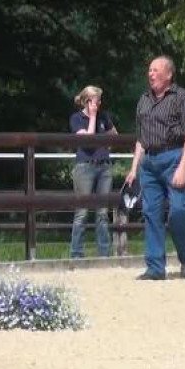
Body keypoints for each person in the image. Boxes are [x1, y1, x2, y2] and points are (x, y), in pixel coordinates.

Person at [126, 56, 185, 280]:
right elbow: (141, 138)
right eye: (149, 70)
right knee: (151, 214)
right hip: (149, 162)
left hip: (175, 157)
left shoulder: (183, 98)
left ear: (169, 74)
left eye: (156, 70)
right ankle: (155, 267)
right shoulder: (143, 100)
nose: (151, 74)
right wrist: (134, 168)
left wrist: (183, 166)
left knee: (178, 211)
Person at [69, 85, 118, 258]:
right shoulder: (76, 119)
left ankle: (104, 254)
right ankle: (76, 254)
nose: (99, 103)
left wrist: (106, 148)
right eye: (96, 100)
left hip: (104, 166)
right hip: (85, 167)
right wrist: (92, 116)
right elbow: (88, 140)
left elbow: (114, 134)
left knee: (103, 213)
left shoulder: (105, 117)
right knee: (82, 213)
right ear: (87, 101)